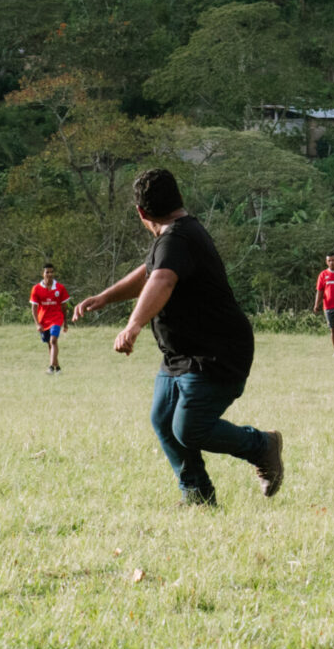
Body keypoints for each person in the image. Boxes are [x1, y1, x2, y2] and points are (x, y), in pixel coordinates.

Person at [72, 169, 283, 507]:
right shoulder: (176, 236)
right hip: (183, 353)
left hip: (217, 352)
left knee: (191, 428)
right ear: (178, 199)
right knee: (164, 421)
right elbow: (150, 273)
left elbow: (162, 281)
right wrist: (105, 297)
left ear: (141, 213)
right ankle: (197, 496)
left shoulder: (177, 239)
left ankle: (262, 446)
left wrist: (133, 325)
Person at [30, 262, 69, 373]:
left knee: (53, 340)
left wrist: (65, 323)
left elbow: (64, 307)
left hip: (56, 318)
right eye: (47, 272)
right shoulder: (36, 289)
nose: (50, 274)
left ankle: (51, 367)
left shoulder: (60, 288)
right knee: (49, 343)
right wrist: (37, 323)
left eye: (52, 272)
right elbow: (34, 308)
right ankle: (58, 368)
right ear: (43, 273)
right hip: (43, 320)